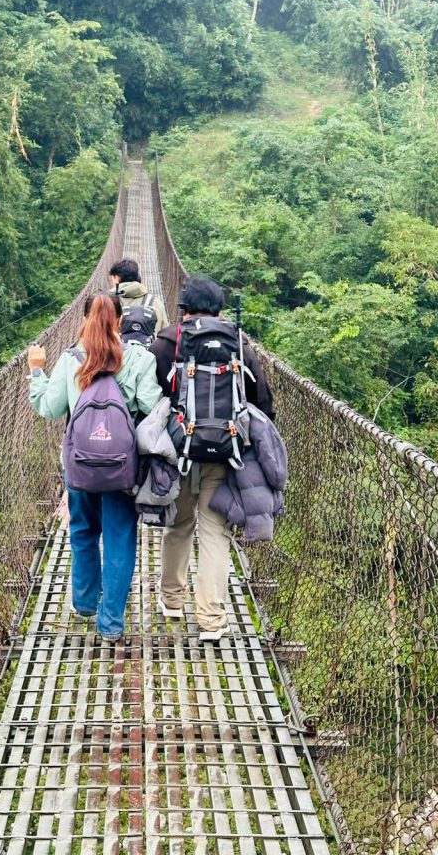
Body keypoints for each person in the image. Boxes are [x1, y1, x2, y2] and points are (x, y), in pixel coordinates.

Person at [27, 292, 162, 641]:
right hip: (122, 468)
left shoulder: (71, 359)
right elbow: (151, 406)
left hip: (80, 466)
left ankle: (85, 602)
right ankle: (111, 623)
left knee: (84, 530)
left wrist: (36, 371)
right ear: (118, 322)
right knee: (119, 537)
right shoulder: (138, 358)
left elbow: (49, 408)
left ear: (83, 321)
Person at [149, 275, 276, 642]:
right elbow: (261, 402)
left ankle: (172, 600)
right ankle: (211, 619)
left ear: (183, 309)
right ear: (221, 310)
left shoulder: (167, 342)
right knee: (214, 530)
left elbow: (150, 397)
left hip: (177, 450)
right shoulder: (238, 343)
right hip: (225, 449)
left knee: (179, 522)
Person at [109, 258, 169, 339]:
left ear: (116, 278)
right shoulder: (155, 302)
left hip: (115, 351)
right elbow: (165, 333)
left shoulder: (106, 302)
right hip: (149, 351)